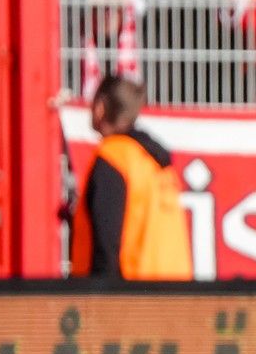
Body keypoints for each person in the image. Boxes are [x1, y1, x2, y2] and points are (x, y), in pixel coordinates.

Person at [70, 75, 194, 281]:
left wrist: (98, 296)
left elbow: (107, 240)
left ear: (100, 107)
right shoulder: (156, 163)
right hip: (172, 294)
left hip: (130, 296)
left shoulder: (114, 158)